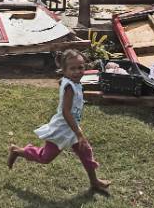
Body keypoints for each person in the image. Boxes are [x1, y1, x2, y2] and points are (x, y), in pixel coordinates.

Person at [7, 49, 111, 192]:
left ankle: (94, 182)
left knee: (85, 151)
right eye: (72, 69)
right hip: (62, 129)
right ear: (64, 70)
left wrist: (76, 132)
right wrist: (78, 133)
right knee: (45, 157)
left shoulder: (70, 81)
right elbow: (66, 112)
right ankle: (17, 151)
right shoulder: (69, 87)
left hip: (72, 128)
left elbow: (63, 81)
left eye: (80, 67)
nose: (77, 71)